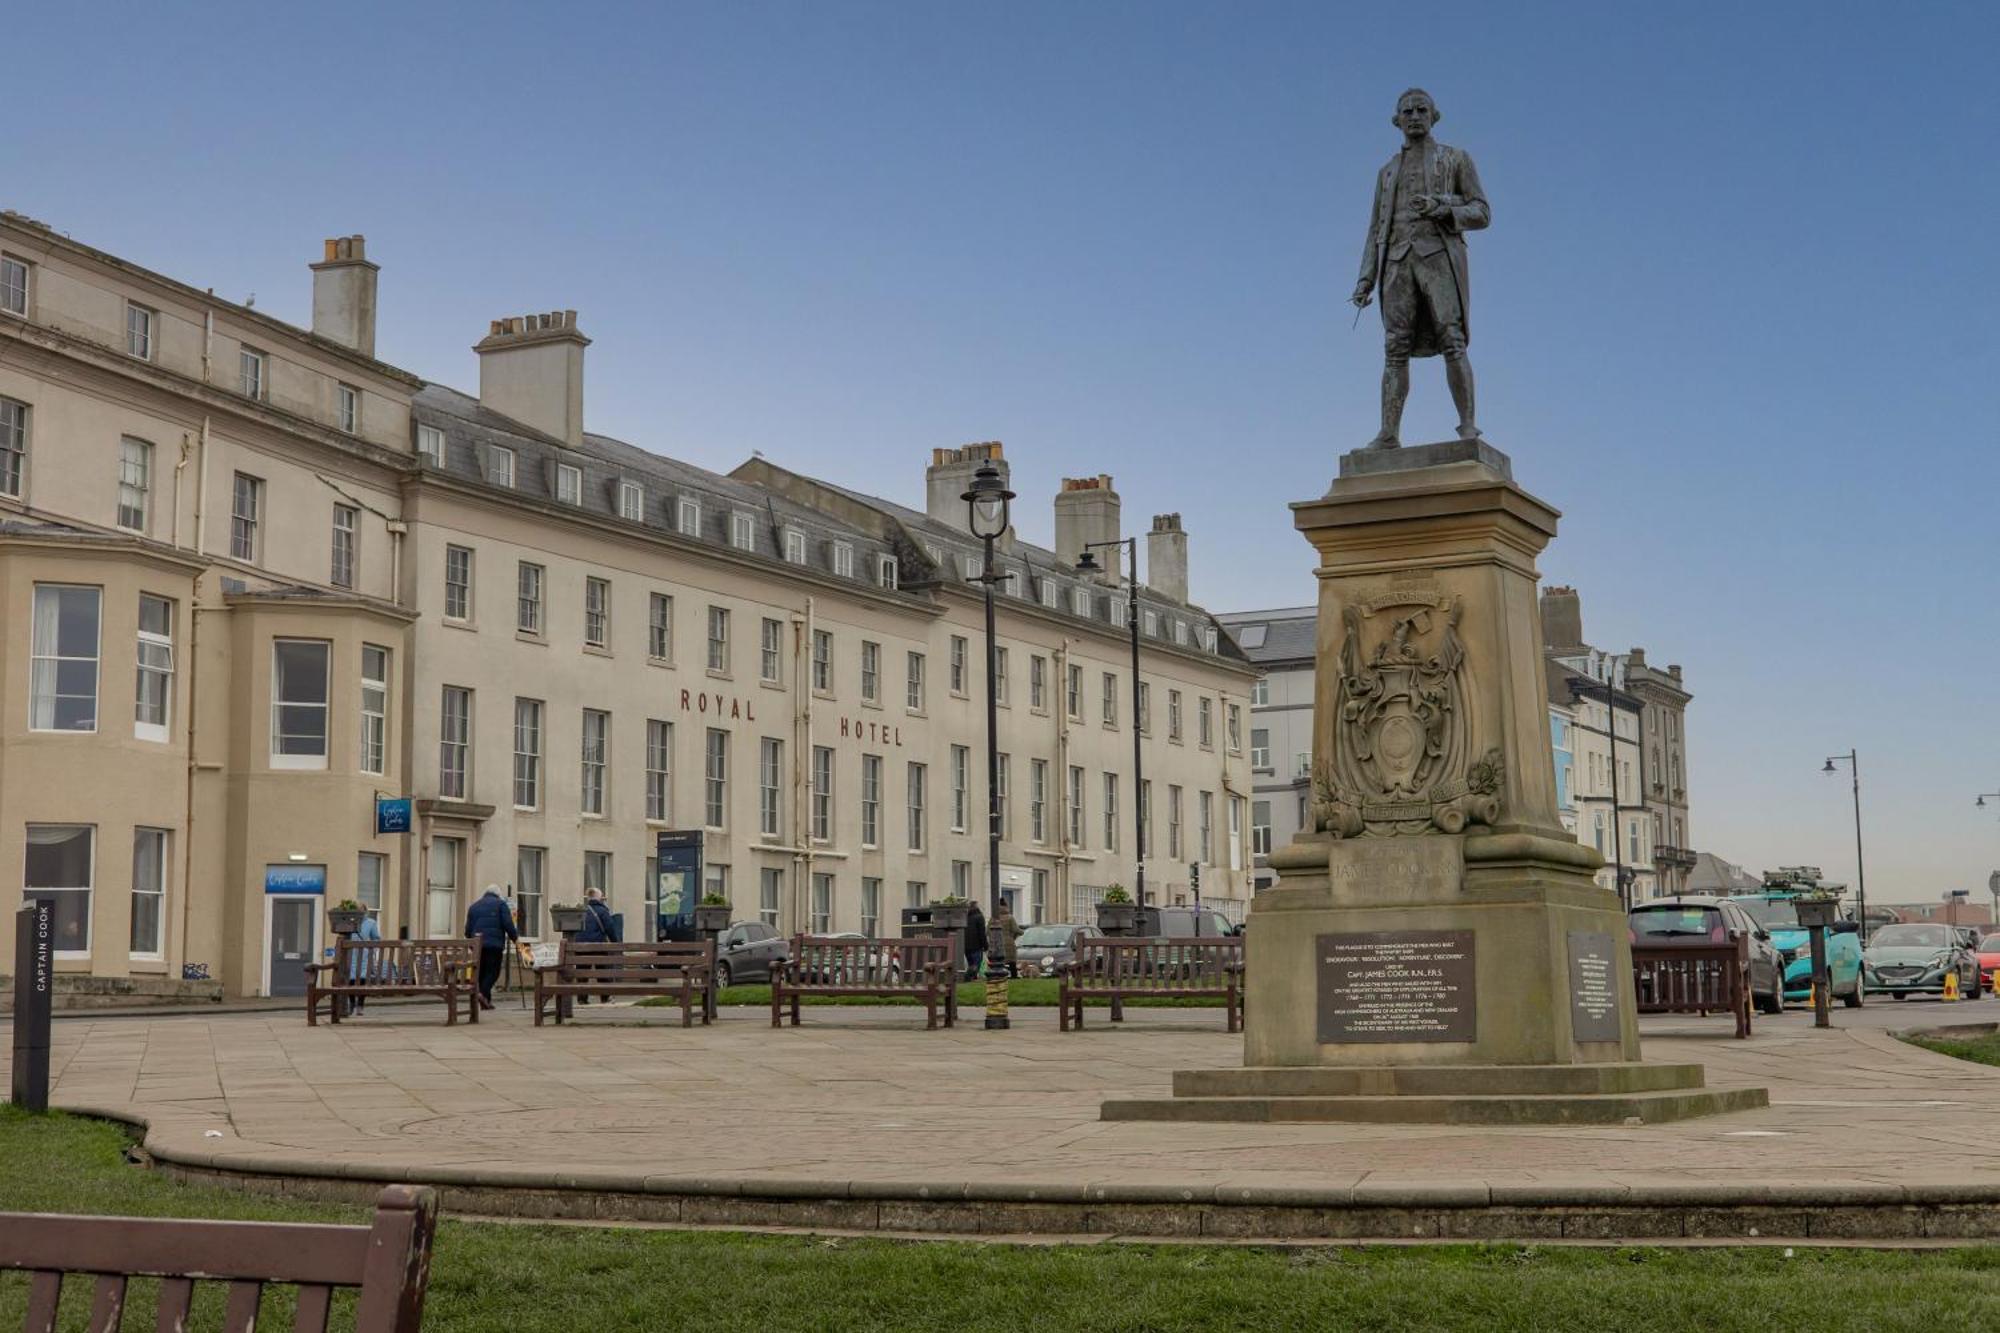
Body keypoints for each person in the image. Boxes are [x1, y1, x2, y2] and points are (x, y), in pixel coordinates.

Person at [1351, 87, 1489, 448]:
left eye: (1421, 110)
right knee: (1394, 349)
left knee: (1453, 340)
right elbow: (1375, 227)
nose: (1414, 116)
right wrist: (1366, 276)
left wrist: (1444, 207)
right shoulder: (1386, 172)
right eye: (1407, 112)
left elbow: (1482, 212)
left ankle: (1468, 426)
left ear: (1434, 116)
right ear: (1397, 120)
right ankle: (1388, 433)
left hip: (1438, 259)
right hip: (1396, 264)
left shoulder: (1455, 159)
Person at [463, 884, 518, 1010]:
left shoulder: (474, 906)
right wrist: (515, 938)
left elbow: (467, 930)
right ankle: (482, 993)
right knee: (493, 972)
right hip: (494, 945)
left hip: (478, 945)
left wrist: (471, 941)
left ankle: (485, 1001)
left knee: (482, 973)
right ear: (498, 895)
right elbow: (508, 924)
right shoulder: (501, 904)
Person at [576, 886, 620, 1004]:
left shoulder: (582, 910)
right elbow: (610, 928)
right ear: (599, 897)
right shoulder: (603, 911)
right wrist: (616, 943)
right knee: (602, 972)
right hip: (598, 946)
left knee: (582, 973)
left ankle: (581, 999)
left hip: (581, 947)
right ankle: (605, 997)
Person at [344, 911, 383, 1015]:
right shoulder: (349, 921)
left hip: (365, 955)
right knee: (351, 980)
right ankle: (352, 1004)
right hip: (351, 953)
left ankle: (360, 1005)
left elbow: (376, 938)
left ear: (365, 911)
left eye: (361, 910)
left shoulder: (371, 922)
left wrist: (372, 949)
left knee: (363, 979)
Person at [986, 900, 1022, 980]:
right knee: (1012, 962)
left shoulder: (993, 918)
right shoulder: (1010, 917)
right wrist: (1019, 933)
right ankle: (1014, 976)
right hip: (1009, 942)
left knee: (998, 961)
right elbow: (1016, 930)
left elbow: (987, 931)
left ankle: (998, 976)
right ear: (1006, 907)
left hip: (997, 944)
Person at [962, 901, 988, 981]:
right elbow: (982, 933)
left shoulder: (965, 917)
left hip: (966, 946)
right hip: (976, 946)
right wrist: (985, 945)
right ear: (977, 907)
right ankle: (967, 977)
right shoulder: (979, 917)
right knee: (976, 965)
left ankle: (971, 979)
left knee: (971, 964)